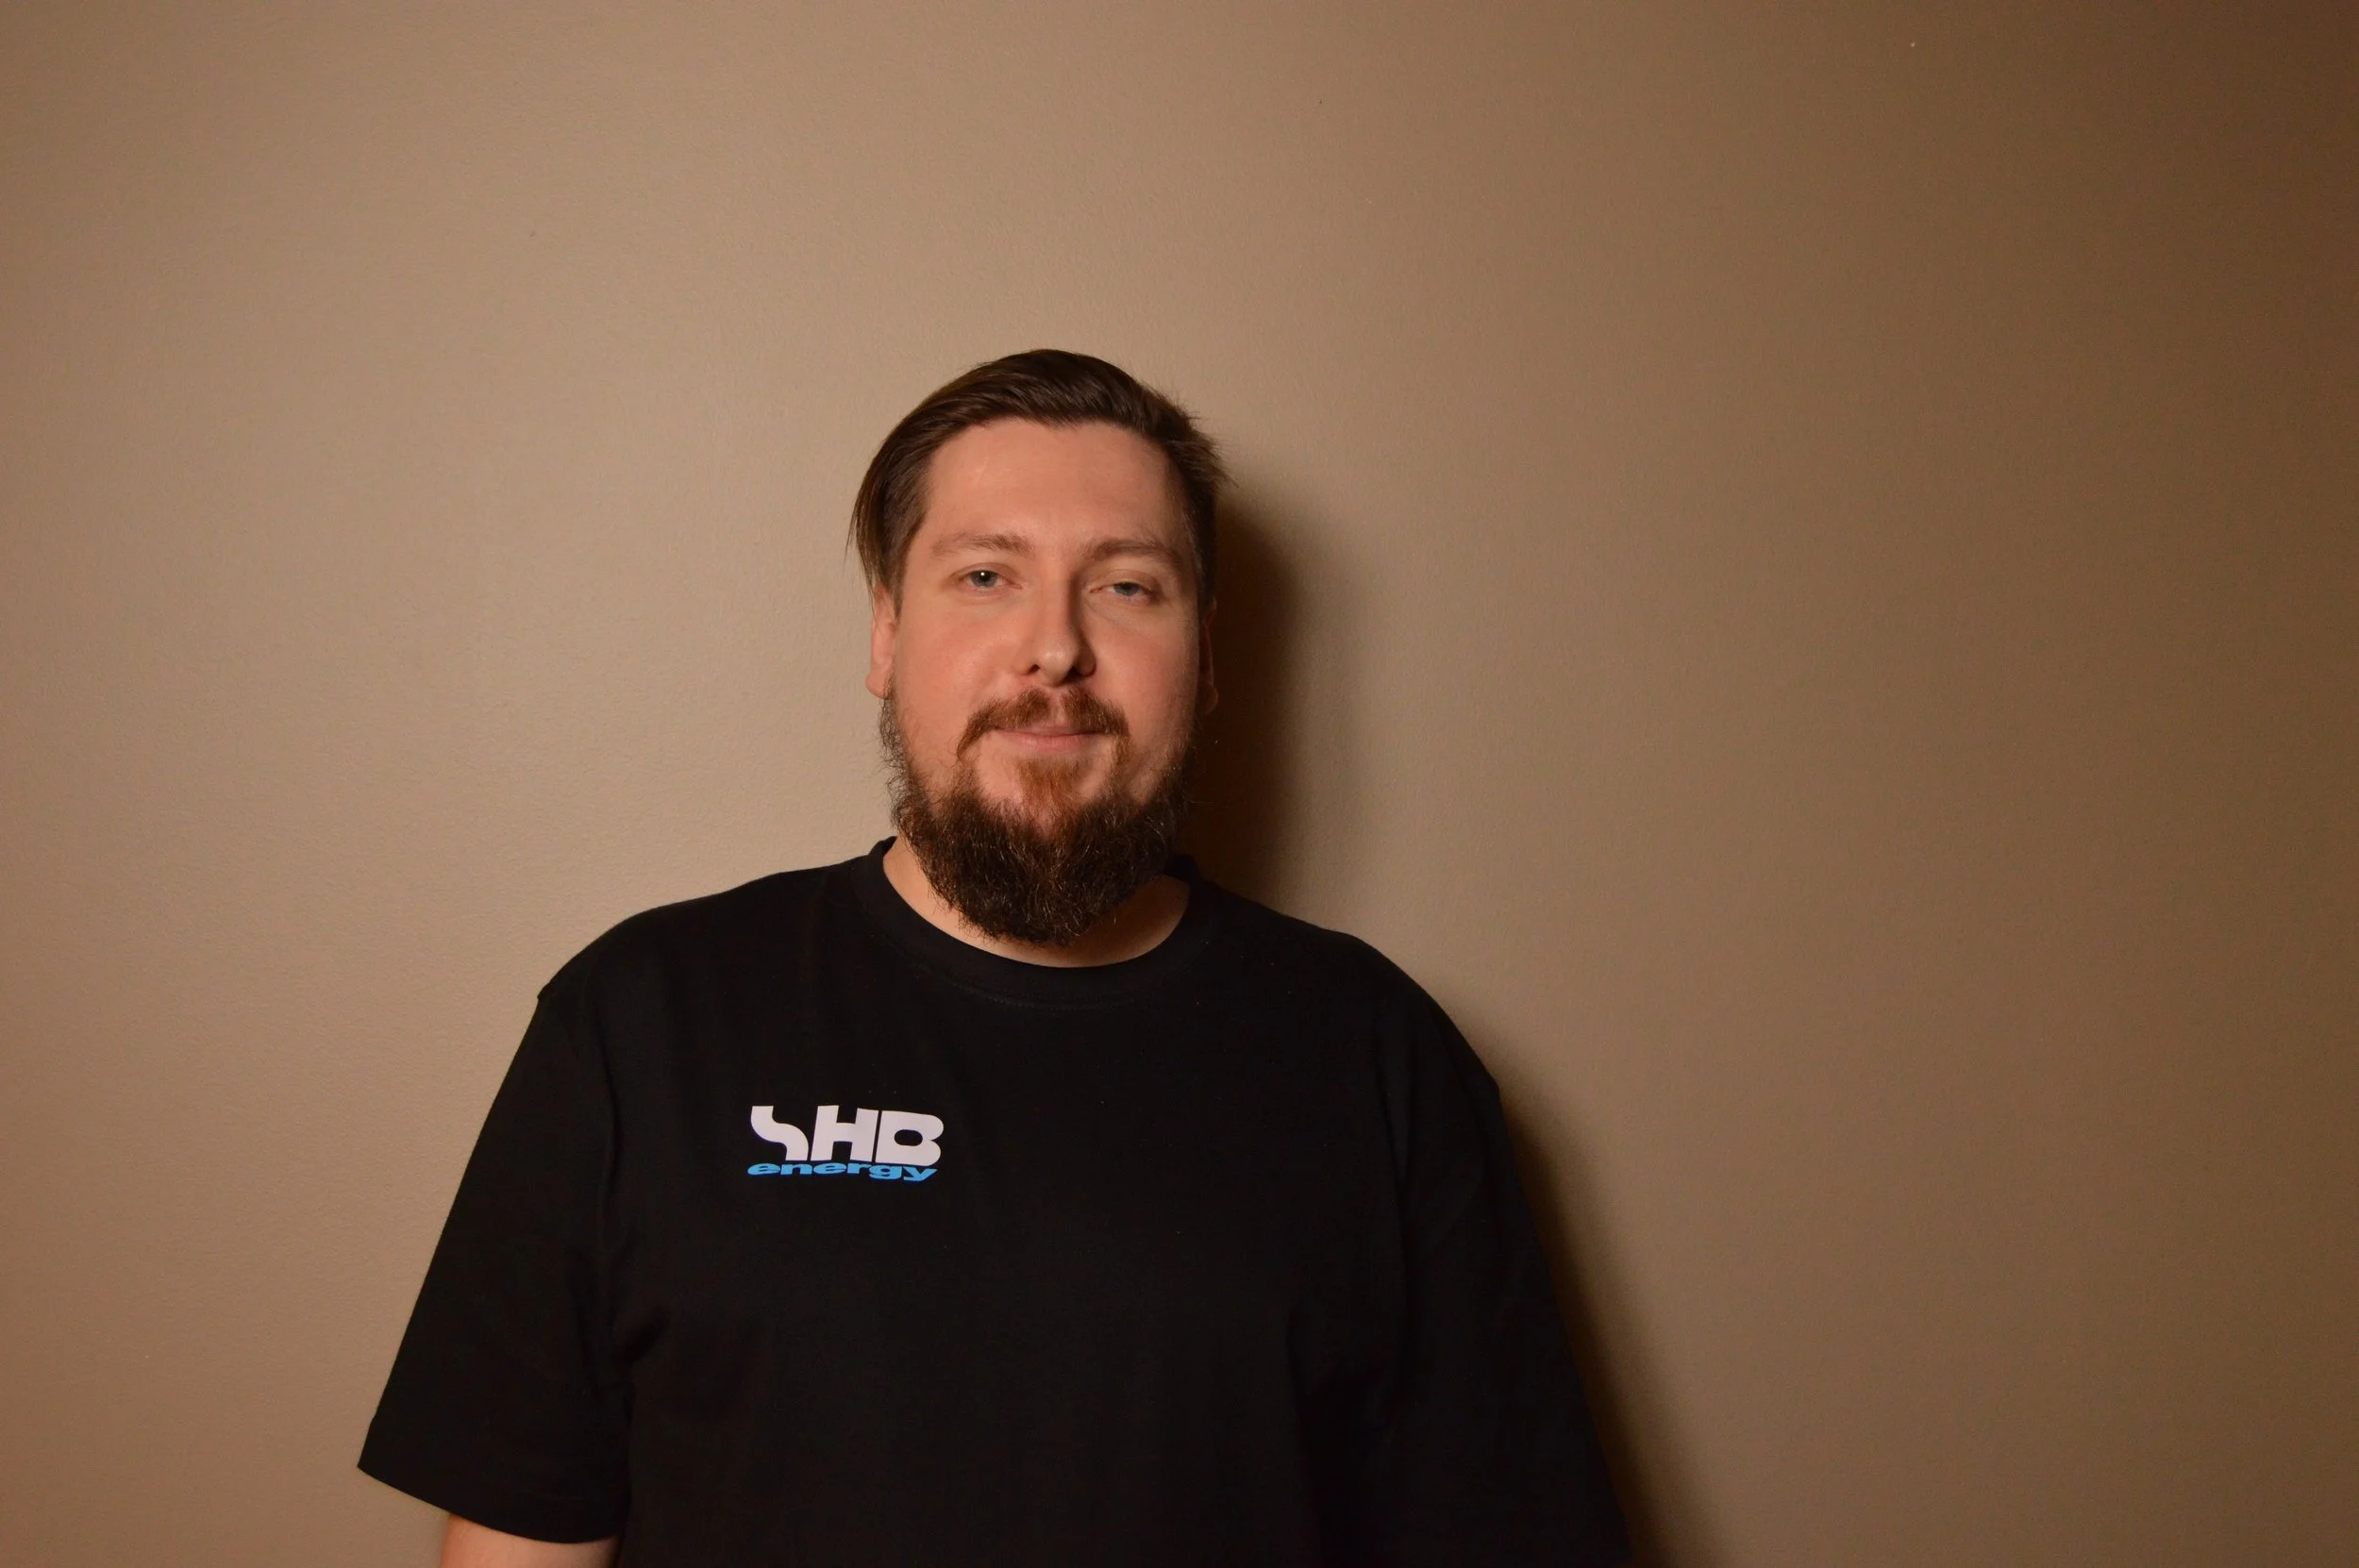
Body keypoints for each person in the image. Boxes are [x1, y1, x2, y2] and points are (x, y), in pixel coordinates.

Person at [360, 350, 1631, 1567]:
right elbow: (523, 1536)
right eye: (985, 576)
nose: (1054, 650)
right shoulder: (642, 1023)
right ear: (885, 635)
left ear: (1208, 657)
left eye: (1129, 585)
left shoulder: (1380, 1058)